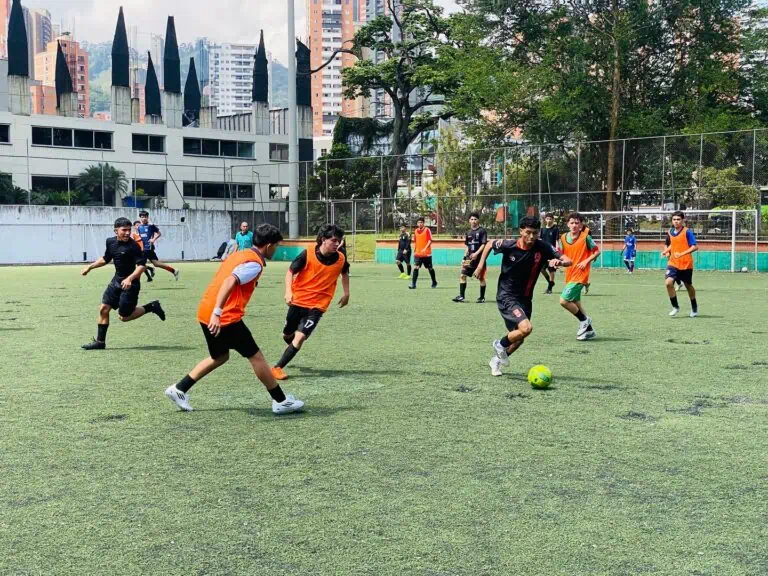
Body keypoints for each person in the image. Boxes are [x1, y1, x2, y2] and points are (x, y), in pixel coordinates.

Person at [164, 223, 304, 414]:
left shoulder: (240, 254)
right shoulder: (253, 263)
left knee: (219, 356)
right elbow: (231, 281)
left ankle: (179, 389)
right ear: (269, 245)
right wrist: (218, 312)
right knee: (256, 356)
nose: (276, 249)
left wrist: (214, 311)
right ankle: (281, 401)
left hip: (205, 311)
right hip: (225, 317)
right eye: (276, 245)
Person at [474, 216, 571, 376]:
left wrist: (559, 262)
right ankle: (499, 344)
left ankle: (496, 361)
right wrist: (480, 265)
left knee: (519, 337)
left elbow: (568, 260)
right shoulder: (509, 245)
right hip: (507, 295)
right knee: (526, 328)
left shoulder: (542, 247)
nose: (532, 237)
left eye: (535, 233)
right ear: (521, 231)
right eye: (528, 233)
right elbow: (490, 244)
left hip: (525, 299)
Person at [271, 224, 351, 380]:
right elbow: (290, 272)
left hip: (318, 306)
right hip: (298, 301)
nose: (337, 244)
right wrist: (288, 291)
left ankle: (277, 368)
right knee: (288, 334)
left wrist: (346, 293)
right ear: (323, 240)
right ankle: (290, 343)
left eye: (339, 241)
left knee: (300, 338)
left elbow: (345, 272)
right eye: (334, 240)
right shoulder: (307, 254)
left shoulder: (341, 257)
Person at [80, 217, 166, 350]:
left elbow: (142, 267)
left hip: (131, 284)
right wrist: (90, 267)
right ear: (116, 231)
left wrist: (130, 279)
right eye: (124, 230)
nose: (127, 233)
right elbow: (105, 258)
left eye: (129, 230)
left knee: (124, 317)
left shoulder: (134, 246)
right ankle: (100, 342)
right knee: (104, 309)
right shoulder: (110, 242)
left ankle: (151, 306)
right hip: (116, 281)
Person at [558, 212, 600, 341]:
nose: (574, 225)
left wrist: (585, 261)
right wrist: (558, 262)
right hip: (569, 274)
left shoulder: (585, 237)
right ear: (568, 224)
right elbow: (560, 254)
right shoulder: (563, 238)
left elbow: (597, 251)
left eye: (577, 223)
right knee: (576, 303)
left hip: (581, 275)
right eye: (572, 223)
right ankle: (589, 330)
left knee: (564, 301)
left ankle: (584, 320)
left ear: (581, 225)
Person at [661, 211, 698, 317]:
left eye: (678, 219)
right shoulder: (671, 231)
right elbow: (673, 244)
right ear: (672, 221)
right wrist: (666, 251)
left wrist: (681, 254)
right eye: (674, 219)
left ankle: (694, 307)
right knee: (668, 283)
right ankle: (675, 307)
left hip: (686, 264)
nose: (676, 221)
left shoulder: (687, 232)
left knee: (688, 286)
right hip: (673, 262)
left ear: (683, 220)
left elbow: (695, 247)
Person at [453, 212, 488, 303]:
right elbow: (467, 246)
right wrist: (464, 257)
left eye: (475, 219)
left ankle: (482, 297)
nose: (473, 221)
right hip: (469, 259)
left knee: (481, 278)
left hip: (480, 259)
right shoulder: (468, 232)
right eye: (472, 219)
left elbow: (484, 244)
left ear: (478, 220)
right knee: (462, 275)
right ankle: (461, 296)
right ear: (469, 220)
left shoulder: (482, 231)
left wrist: (476, 253)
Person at [137, 210, 179, 281]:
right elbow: (141, 237)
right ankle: (173, 271)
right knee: (156, 263)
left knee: (140, 265)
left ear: (148, 217)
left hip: (148, 248)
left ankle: (135, 281)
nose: (144, 218)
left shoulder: (151, 226)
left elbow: (159, 233)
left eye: (145, 217)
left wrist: (153, 239)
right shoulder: (139, 227)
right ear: (140, 218)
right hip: (144, 248)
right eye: (142, 217)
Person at [409, 217, 437, 289]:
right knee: (416, 267)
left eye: (421, 222)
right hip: (418, 254)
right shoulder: (415, 231)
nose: (420, 224)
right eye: (418, 222)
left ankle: (434, 281)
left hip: (426, 254)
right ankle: (413, 284)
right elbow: (415, 241)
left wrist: (425, 248)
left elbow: (430, 240)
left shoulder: (427, 230)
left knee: (430, 268)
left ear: (423, 223)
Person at [539, 213, 560, 294]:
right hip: (543, 253)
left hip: (552, 253)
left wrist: (557, 251)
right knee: (541, 269)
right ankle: (551, 282)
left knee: (551, 270)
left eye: (550, 219)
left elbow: (557, 241)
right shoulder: (542, 230)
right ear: (545, 220)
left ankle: (549, 288)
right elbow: (540, 241)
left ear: (553, 220)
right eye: (547, 219)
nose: (548, 220)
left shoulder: (555, 229)